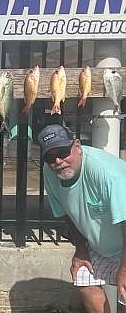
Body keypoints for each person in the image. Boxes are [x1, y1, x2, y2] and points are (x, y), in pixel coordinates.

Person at [37, 124, 126, 313]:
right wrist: (81, 250)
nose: (58, 161)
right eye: (50, 157)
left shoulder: (108, 174)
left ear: (76, 146)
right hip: (102, 249)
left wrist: (124, 270)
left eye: (62, 152)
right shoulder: (50, 173)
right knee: (83, 277)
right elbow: (67, 213)